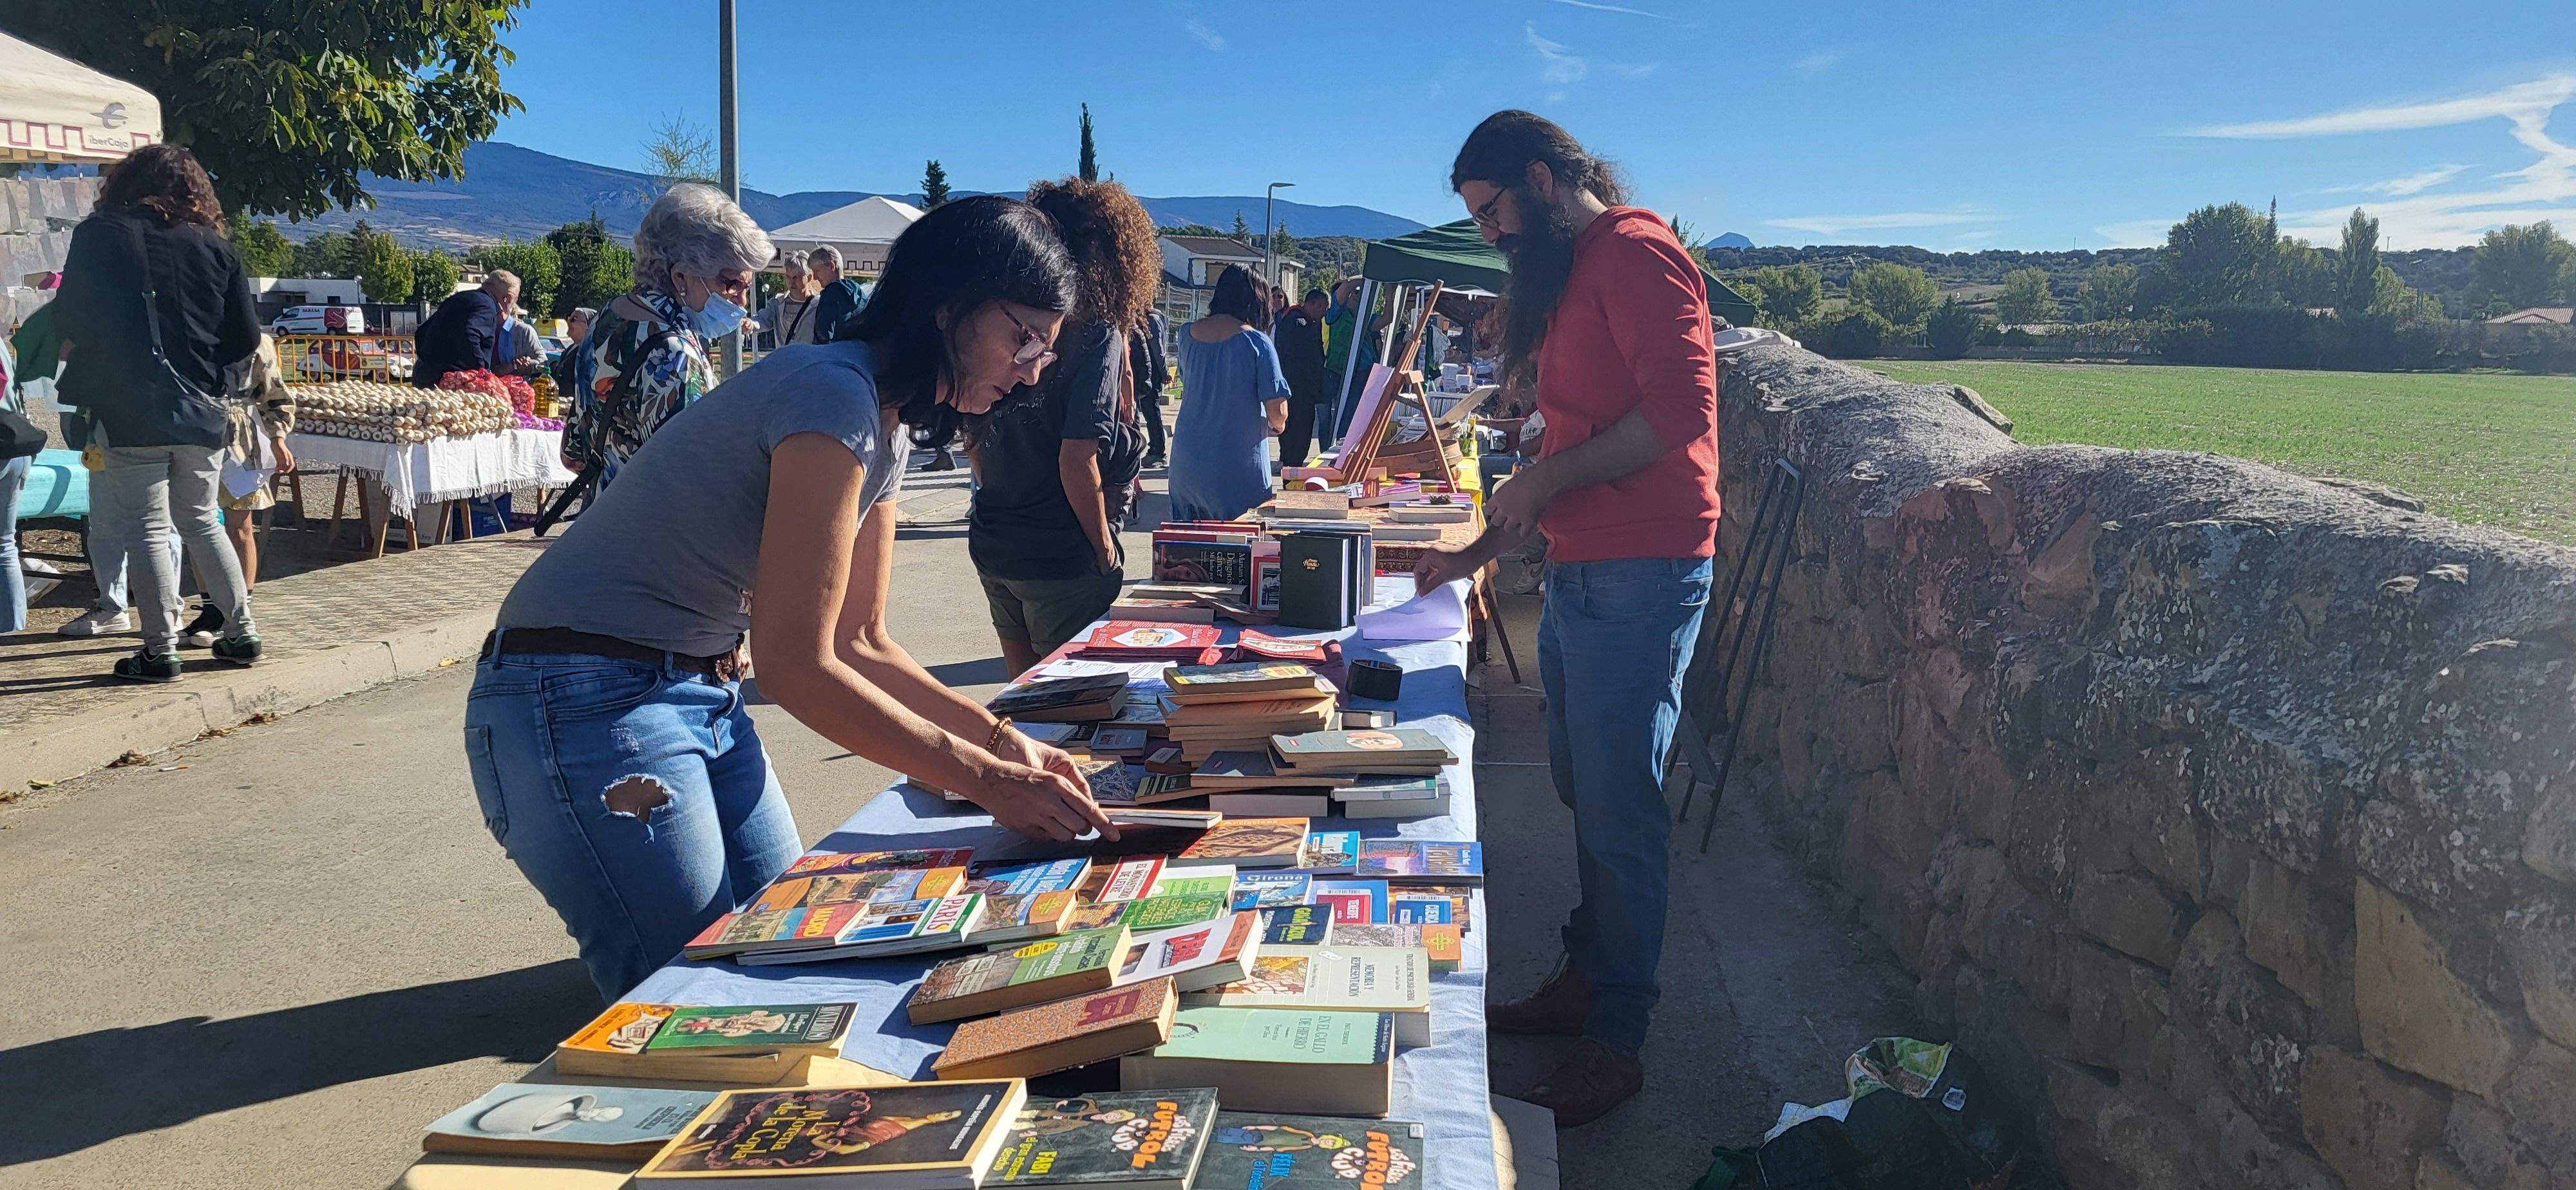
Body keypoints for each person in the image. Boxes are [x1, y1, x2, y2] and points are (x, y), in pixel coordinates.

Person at [467, 195, 1115, 1000]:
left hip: (691, 688)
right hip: (577, 696)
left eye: (1047, 351)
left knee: (787, 958)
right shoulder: (831, 393)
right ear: (947, 307)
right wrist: (988, 780)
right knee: (687, 1001)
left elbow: (863, 639)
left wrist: (1005, 743)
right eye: (1024, 337)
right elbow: (797, 664)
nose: (1032, 368)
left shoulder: (888, 420)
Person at [1412, 111, 1721, 1124]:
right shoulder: (1575, 264)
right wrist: (1490, 535)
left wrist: (1548, 475)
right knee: (1582, 783)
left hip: (1644, 569)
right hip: (1590, 565)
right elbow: (1591, 427)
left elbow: (1681, 417)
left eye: (1493, 212)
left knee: (1621, 805)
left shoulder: (1634, 252)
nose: (1491, 235)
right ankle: (1591, 979)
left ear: (1541, 181)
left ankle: (1618, 1035)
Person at [50, 143, 265, 680]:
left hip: (128, 405)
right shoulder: (216, 247)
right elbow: (244, 338)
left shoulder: (99, 236)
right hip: (202, 409)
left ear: (125, 184)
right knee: (201, 521)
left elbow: (71, 316)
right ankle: (240, 632)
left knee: (146, 527)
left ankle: (159, 648)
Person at [967, 176, 1157, 675]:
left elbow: (975, 443)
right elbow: (1078, 456)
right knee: (1072, 714)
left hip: (995, 539)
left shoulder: (1007, 322)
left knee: (1023, 702)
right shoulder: (1096, 332)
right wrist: (1104, 550)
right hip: (1061, 555)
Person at [559, 184, 770, 488]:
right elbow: (690, 482)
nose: (742, 302)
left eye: (748, 287)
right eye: (732, 283)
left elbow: (573, 453)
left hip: (602, 522)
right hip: (655, 532)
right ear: (681, 276)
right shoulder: (674, 354)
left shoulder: (610, 316)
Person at [177, 335, 297, 647]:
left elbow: (273, 393)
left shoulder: (255, 339)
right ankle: (210, 609)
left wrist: (278, 437)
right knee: (199, 523)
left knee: (240, 525)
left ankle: (241, 608)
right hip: (194, 427)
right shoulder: (187, 325)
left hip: (238, 439)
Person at [1165, 266, 1290, 522]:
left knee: (1189, 552)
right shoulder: (1258, 343)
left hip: (1187, 465)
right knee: (1239, 552)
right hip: (1237, 468)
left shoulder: (1187, 335)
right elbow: (1278, 413)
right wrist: (1276, 424)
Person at [415, 271, 518, 388]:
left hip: (424, 373)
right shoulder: (487, 306)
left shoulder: (459, 298)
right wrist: (483, 375)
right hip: (450, 382)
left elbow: (422, 332)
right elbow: (469, 334)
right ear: (508, 298)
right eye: (515, 300)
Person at [1271, 288, 1331, 472]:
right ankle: (1291, 469)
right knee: (1297, 432)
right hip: (1297, 389)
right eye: (1324, 308)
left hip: (1304, 390)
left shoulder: (1310, 322)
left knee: (1302, 430)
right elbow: (1301, 358)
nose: (1325, 313)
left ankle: (1292, 466)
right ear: (1315, 304)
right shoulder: (1297, 321)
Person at [754, 250, 823, 350]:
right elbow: (763, 320)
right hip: (784, 362)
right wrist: (750, 324)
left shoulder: (819, 305)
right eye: (788, 276)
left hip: (808, 362)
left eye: (796, 277)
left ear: (809, 278)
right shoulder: (778, 303)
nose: (791, 282)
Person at [1132, 307, 1171, 468]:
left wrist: (1164, 372)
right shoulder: (1155, 318)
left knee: (1152, 413)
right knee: (1150, 412)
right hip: (1149, 371)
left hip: (1151, 372)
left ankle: (1158, 451)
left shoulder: (1152, 320)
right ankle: (1155, 448)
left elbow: (1157, 350)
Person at [806, 244, 864, 343]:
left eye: (817, 271)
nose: (815, 277)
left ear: (832, 266)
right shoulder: (859, 291)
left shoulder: (830, 294)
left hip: (837, 353)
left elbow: (824, 336)